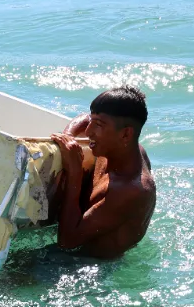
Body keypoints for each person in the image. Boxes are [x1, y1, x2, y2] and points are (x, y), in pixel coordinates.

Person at [50, 85, 156, 259]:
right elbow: (84, 118)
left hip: (87, 267)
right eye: (93, 120)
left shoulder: (131, 189)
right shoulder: (119, 148)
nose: (89, 131)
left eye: (98, 124)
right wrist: (67, 137)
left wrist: (74, 174)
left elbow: (67, 242)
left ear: (125, 135)